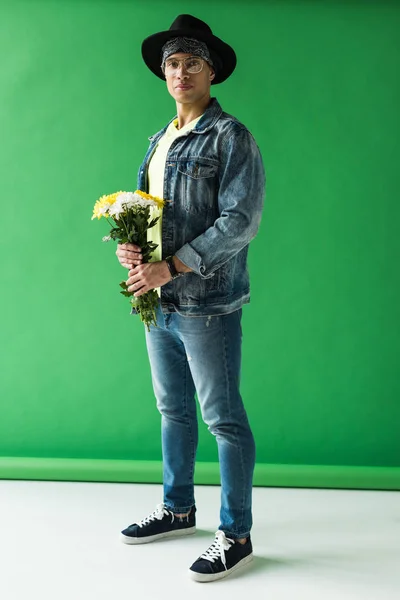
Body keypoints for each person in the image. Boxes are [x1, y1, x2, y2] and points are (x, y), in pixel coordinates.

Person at [116, 14, 266, 583]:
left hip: (206, 304)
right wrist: (131, 249)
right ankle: (178, 508)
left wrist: (172, 265)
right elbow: (145, 208)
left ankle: (237, 534)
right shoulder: (161, 140)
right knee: (172, 412)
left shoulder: (231, 136)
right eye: (172, 64)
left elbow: (241, 220)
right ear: (164, 73)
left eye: (192, 64)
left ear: (211, 72)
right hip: (159, 303)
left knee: (222, 418)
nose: (181, 72)